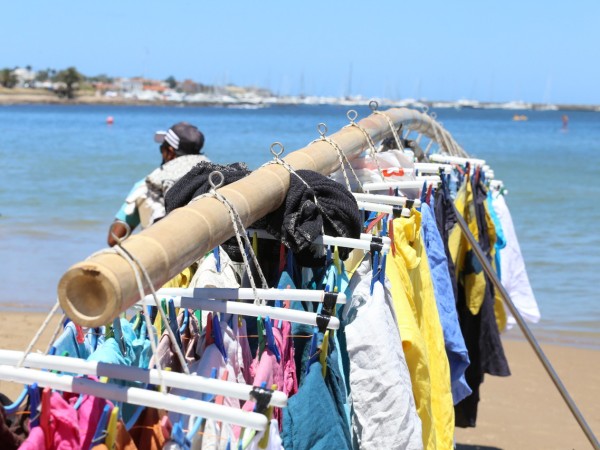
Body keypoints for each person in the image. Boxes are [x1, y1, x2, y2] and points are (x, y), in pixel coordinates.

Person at [107, 122, 209, 246]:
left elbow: (114, 238)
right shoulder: (211, 176)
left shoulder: (149, 184)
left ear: (170, 152)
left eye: (162, 149)